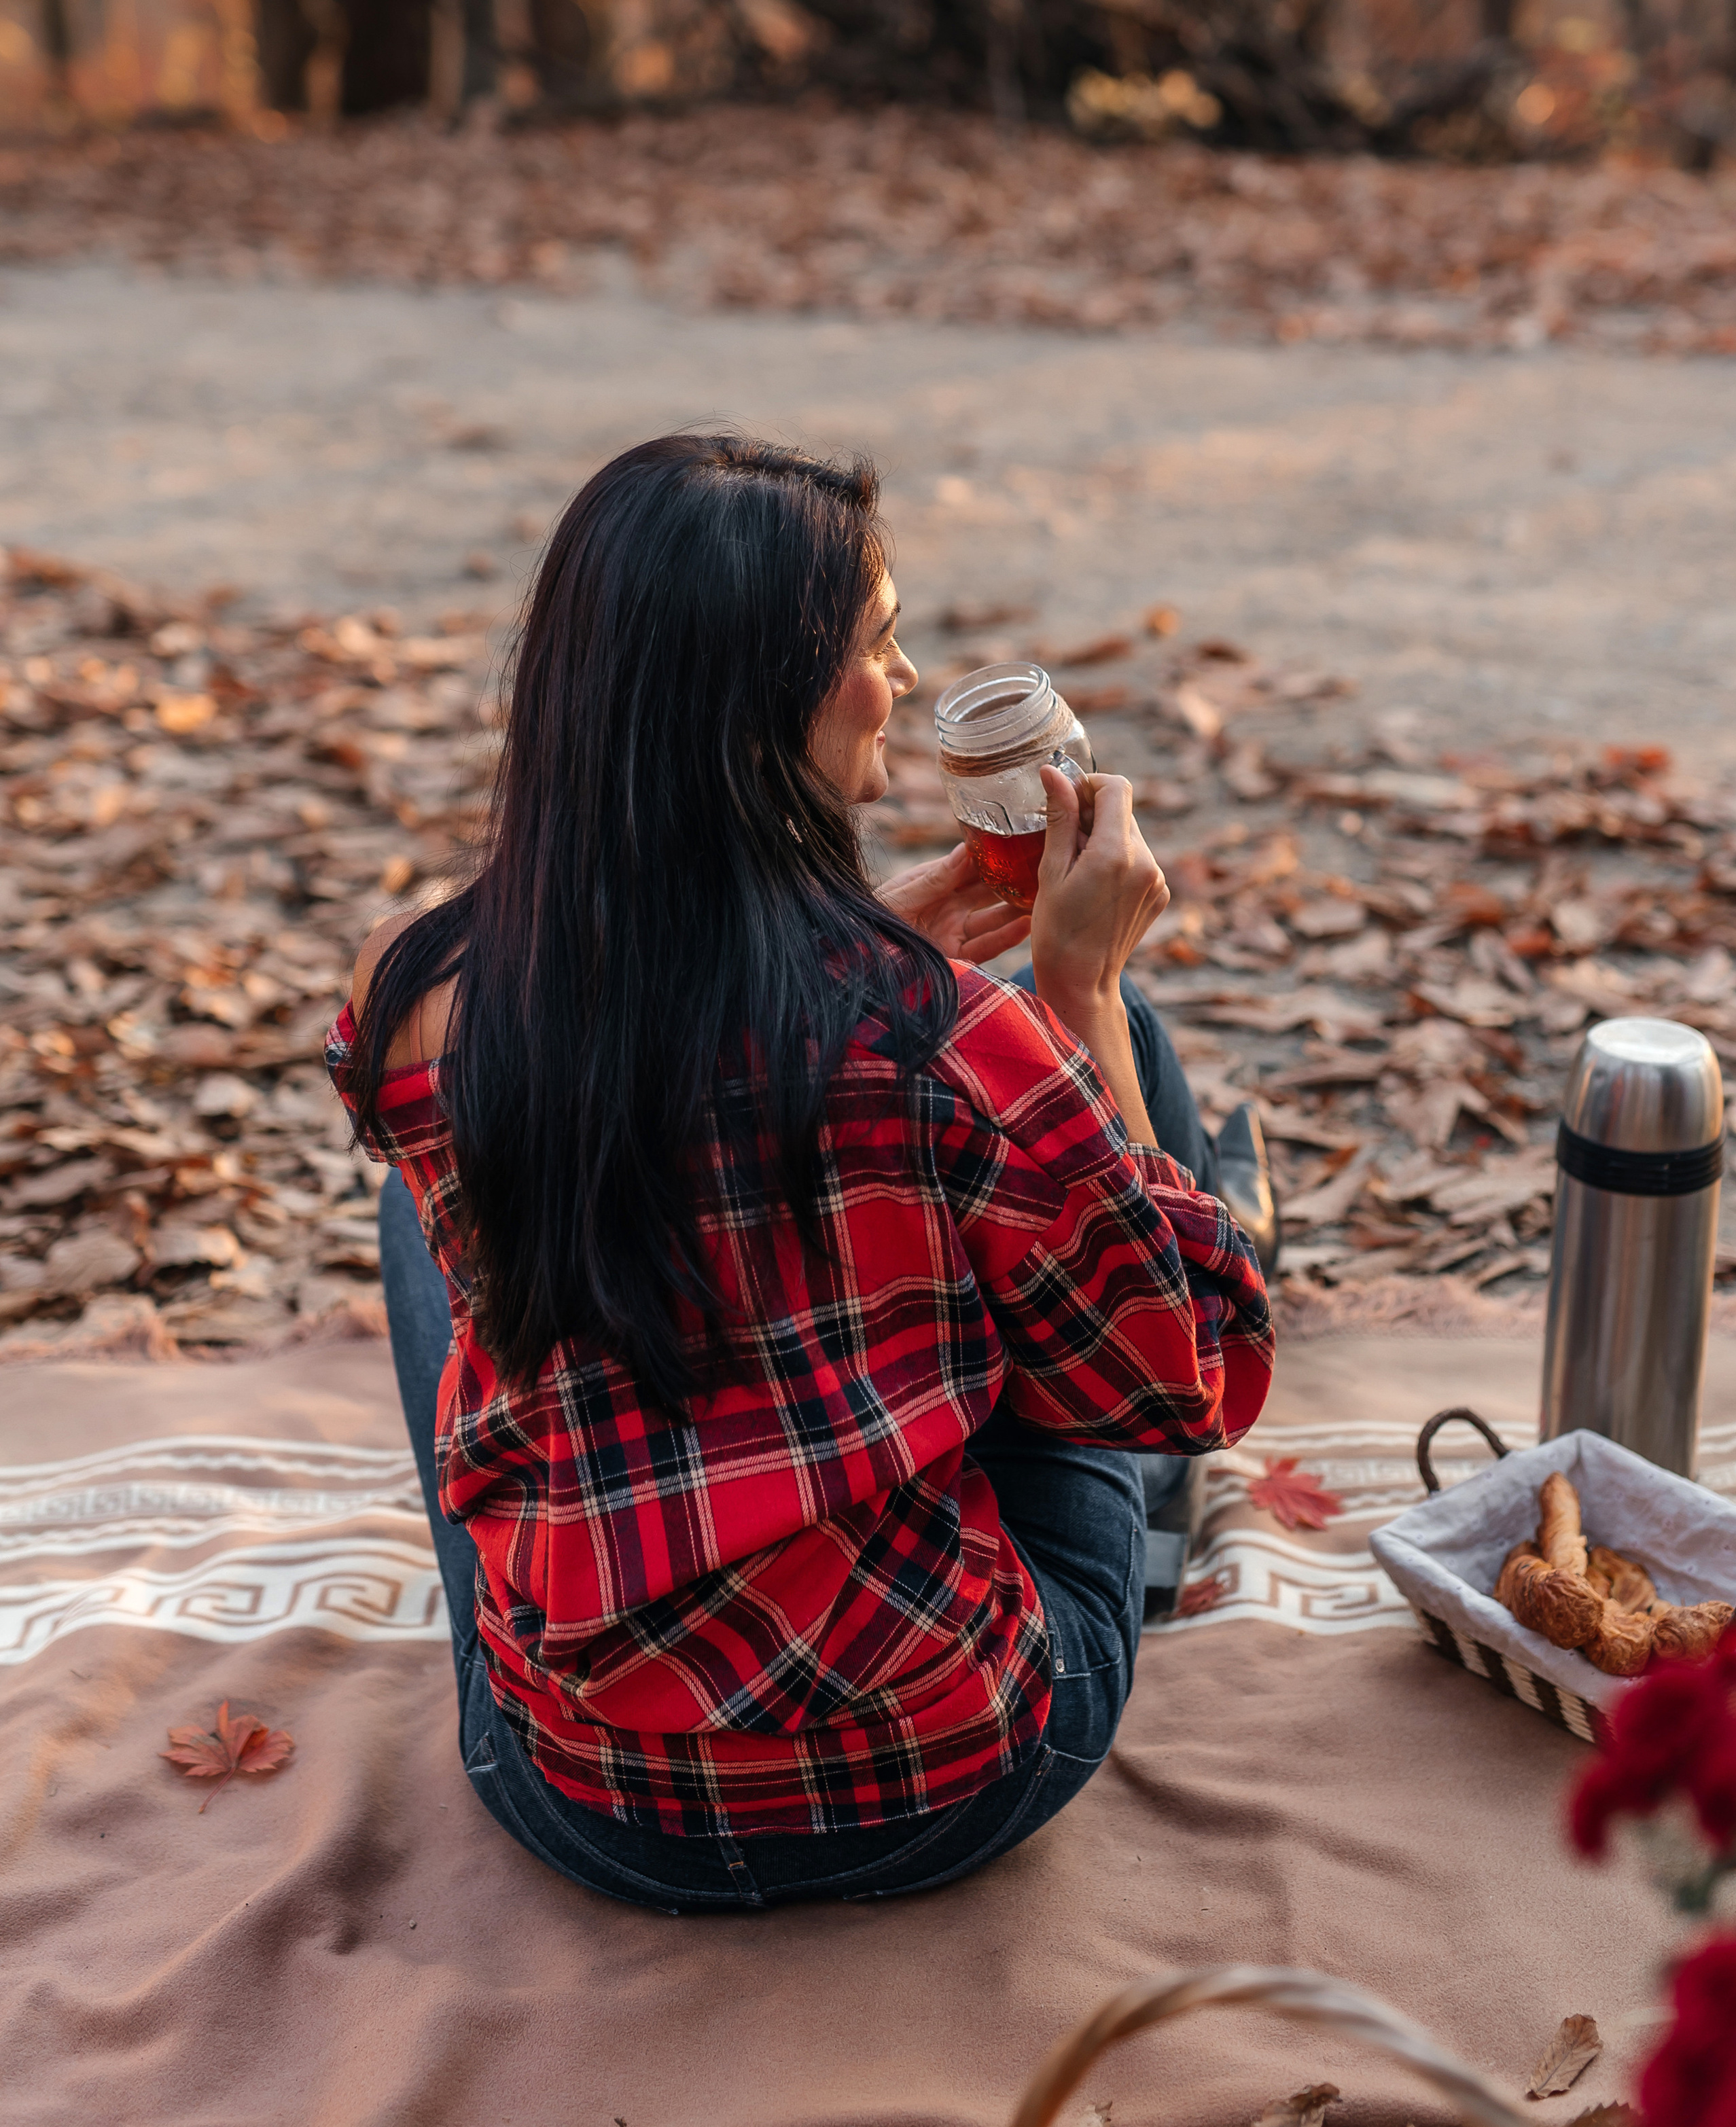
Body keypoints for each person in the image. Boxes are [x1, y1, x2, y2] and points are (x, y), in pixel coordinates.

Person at [328, 434, 1273, 1916]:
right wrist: (1081, 996)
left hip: (586, 1799)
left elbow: (660, 1044)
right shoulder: (954, 1041)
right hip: (951, 1775)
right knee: (1117, 1074)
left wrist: (844, 956)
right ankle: (1136, 1506)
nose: (902, 678)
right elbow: (1192, 1385)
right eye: (876, 643)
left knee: (439, 1188)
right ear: (766, 698)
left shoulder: (419, 991)